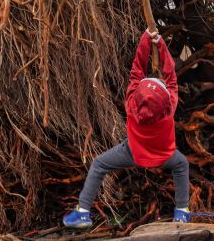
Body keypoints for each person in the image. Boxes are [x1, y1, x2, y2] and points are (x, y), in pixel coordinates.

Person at [63, 29, 191, 228]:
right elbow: (171, 76)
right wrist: (161, 45)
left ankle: (82, 212)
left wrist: (146, 39)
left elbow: (136, 70)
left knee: (98, 165)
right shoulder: (169, 109)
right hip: (164, 156)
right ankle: (182, 212)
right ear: (166, 99)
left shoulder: (131, 104)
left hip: (133, 153)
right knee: (181, 164)